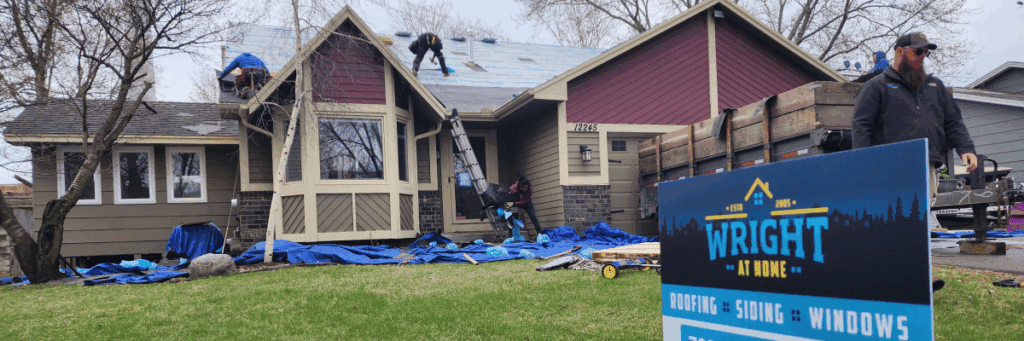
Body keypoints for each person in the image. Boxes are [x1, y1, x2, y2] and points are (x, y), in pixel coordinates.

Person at [852, 31, 978, 204]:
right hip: (889, 167)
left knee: (922, 215)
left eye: (926, 52)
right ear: (899, 52)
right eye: (918, 52)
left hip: (927, 164)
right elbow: (861, 126)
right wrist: (863, 164)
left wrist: (966, 149)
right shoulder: (876, 86)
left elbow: (954, 121)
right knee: (892, 216)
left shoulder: (936, 86)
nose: (922, 57)